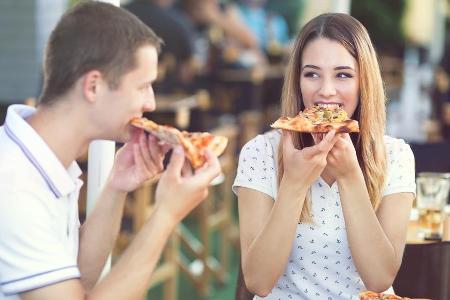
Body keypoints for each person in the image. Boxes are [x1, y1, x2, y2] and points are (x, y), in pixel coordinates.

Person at [0, 2, 221, 300]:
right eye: (143, 86)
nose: (151, 103)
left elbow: (80, 281)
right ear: (93, 86)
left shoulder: (44, 157)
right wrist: (165, 216)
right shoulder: (14, 184)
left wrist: (117, 185)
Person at [233, 13, 416, 299]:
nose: (326, 91)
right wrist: (293, 184)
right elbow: (258, 282)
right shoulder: (260, 153)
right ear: (297, 80)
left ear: (363, 82)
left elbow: (379, 278)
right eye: (312, 74)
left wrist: (349, 176)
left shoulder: (395, 155)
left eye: (343, 74)